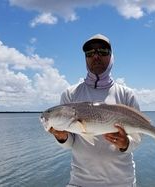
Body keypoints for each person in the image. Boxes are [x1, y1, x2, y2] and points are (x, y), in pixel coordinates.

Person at [49, 34, 142, 187]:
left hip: (121, 182)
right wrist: (62, 137)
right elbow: (70, 143)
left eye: (102, 51)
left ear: (111, 56)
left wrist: (126, 143)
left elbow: (137, 139)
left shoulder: (126, 94)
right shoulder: (70, 94)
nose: (96, 56)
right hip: (80, 181)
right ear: (85, 58)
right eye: (90, 53)